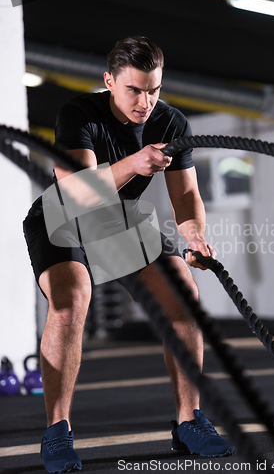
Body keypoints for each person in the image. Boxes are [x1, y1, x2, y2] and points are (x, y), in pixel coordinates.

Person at [23, 36, 236, 473]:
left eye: (154, 90)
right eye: (134, 90)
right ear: (109, 82)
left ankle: (188, 421)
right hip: (61, 216)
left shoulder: (171, 123)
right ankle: (57, 432)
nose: (145, 102)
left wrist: (195, 237)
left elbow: (188, 196)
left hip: (118, 219)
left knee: (184, 297)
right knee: (70, 301)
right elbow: (77, 191)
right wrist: (133, 164)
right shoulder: (79, 113)